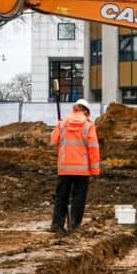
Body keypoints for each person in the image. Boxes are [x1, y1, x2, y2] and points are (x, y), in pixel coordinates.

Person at [50, 99, 100, 236]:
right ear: (86, 111)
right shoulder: (88, 125)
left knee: (61, 196)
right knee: (78, 198)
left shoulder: (63, 122)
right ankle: (74, 224)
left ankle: (57, 224)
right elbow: (93, 149)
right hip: (82, 170)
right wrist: (95, 170)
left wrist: (58, 126)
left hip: (65, 167)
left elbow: (53, 140)